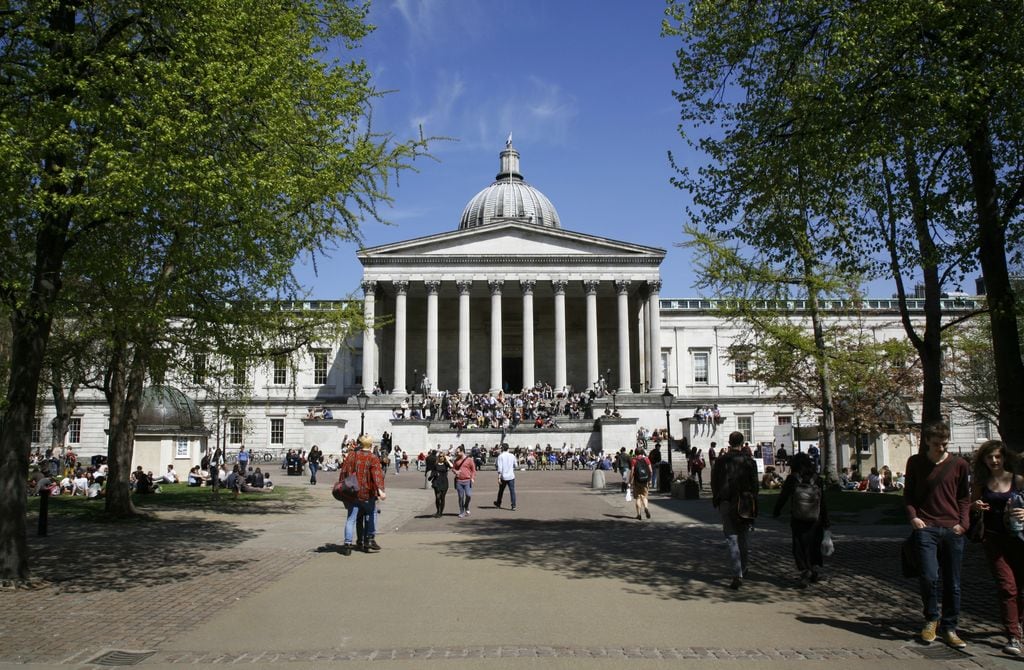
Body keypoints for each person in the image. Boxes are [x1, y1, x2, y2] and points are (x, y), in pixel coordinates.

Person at [904, 421, 970, 649]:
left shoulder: (959, 464)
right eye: (936, 444)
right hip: (927, 527)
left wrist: (964, 524)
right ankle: (932, 618)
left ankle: (950, 626)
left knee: (953, 582)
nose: (940, 448)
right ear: (927, 443)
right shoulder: (916, 462)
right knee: (929, 576)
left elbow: (963, 496)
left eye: (944, 444)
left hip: (952, 528)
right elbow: (909, 494)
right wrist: (913, 517)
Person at [970, 439, 1024, 656]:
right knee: (1006, 586)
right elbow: (970, 506)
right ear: (984, 460)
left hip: (1019, 539)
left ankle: (1018, 625)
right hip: (994, 540)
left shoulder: (1018, 481)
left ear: (1004, 458)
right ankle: (1013, 635)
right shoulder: (981, 483)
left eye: (997, 456)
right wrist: (975, 506)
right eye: (989, 457)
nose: (994, 460)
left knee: (1021, 588)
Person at [710, 430, 759, 589]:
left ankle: (737, 573)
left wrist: (716, 498)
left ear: (730, 443)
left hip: (726, 501)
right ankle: (743, 568)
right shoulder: (749, 461)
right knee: (743, 537)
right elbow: (755, 486)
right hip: (744, 502)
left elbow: (714, 482)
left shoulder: (721, 461)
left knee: (731, 538)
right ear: (742, 442)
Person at [773, 452, 830, 588]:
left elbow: (783, 497)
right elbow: (823, 502)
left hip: (798, 517)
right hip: (816, 518)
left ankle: (805, 570)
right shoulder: (817, 479)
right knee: (814, 544)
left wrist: (777, 510)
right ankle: (814, 569)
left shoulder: (792, 479)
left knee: (799, 545)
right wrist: (826, 520)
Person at [338, 435, 386, 555]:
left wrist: (342, 486)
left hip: (353, 492)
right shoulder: (373, 457)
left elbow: (344, 471)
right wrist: (380, 490)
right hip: (366, 492)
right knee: (372, 513)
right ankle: (370, 538)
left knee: (351, 518)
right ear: (370, 445)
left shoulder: (352, 455)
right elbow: (376, 475)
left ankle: (347, 544)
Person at [452, 445, 477, 518]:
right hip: (459, 481)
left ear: (462, 451)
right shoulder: (456, 460)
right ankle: (461, 511)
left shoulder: (469, 460)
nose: (456, 453)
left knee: (468, 495)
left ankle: (466, 506)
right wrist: (455, 471)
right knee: (461, 497)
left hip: (467, 480)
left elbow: (473, 470)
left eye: (458, 452)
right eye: (456, 452)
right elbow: (453, 468)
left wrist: (472, 478)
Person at [630, 447, 653, 520]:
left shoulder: (634, 460)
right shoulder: (646, 459)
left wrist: (630, 481)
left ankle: (639, 514)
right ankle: (646, 507)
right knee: (644, 496)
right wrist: (650, 480)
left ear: (635, 453)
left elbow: (632, 472)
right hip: (645, 481)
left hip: (637, 481)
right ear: (642, 452)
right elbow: (651, 471)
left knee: (638, 497)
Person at [493, 444, 517, 511]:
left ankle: (498, 503)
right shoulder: (512, 455)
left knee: (501, 491)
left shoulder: (500, 456)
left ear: (502, 449)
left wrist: (499, 477)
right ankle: (513, 505)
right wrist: (512, 469)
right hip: (511, 476)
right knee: (512, 491)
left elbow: (499, 468)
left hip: (503, 476)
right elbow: (516, 465)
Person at [428, 451, 451, 517]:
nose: (441, 457)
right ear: (438, 457)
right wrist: (432, 476)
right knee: (437, 497)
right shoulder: (435, 464)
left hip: (444, 482)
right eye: (440, 456)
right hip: (437, 482)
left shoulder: (446, 464)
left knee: (442, 498)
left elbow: (452, 466)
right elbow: (433, 472)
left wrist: (447, 459)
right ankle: (438, 511)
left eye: (443, 456)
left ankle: (441, 513)